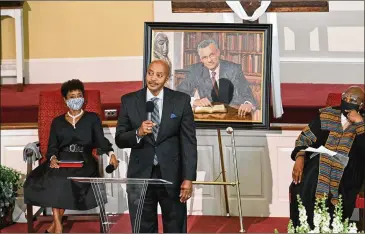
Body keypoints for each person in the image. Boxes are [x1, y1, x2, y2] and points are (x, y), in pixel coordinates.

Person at [23, 79, 119, 233]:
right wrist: (53, 158)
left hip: (84, 160)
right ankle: (58, 226)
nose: (76, 99)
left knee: (66, 180)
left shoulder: (92, 118)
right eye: (72, 96)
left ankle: (55, 225)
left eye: (79, 95)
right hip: (61, 159)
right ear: (65, 100)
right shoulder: (57, 122)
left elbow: (101, 140)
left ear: (84, 98)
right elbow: (52, 146)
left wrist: (111, 154)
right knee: (55, 177)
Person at [115, 60, 198, 233]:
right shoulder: (129, 101)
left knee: (175, 226)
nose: (153, 79)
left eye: (159, 75)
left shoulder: (181, 101)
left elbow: (189, 142)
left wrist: (188, 178)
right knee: (143, 227)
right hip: (140, 175)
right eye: (150, 73)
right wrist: (137, 133)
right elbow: (120, 139)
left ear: (167, 78)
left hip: (172, 175)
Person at [289, 86, 365, 229]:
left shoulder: (363, 122)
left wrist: (360, 123)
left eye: (353, 99)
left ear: (361, 105)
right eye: (345, 98)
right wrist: (299, 158)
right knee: (309, 174)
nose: (347, 101)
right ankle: (308, 227)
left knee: (319, 167)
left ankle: (326, 227)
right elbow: (304, 139)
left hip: (348, 173)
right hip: (318, 169)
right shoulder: (327, 115)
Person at [176, 39, 257, 117]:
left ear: (218, 53)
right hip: (207, 116)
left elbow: (247, 93)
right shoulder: (196, 70)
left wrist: (248, 104)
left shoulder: (233, 69)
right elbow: (179, 94)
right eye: (204, 57)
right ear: (201, 59)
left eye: (212, 55)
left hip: (232, 115)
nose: (209, 60)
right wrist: (195, 101)